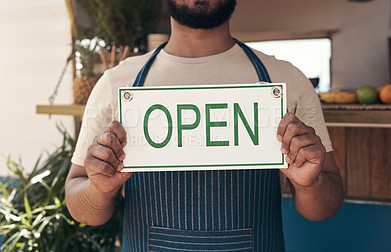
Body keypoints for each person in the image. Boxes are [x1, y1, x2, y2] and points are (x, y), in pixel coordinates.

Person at [65, 0, 344, 251]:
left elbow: (324, 208)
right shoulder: (116, 83)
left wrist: (310, 184)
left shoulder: (287, 81)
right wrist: (99, 189)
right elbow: (83, 210)